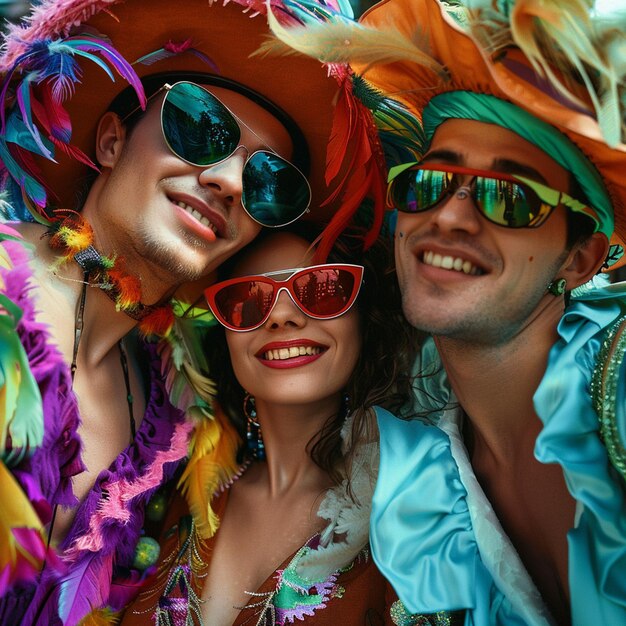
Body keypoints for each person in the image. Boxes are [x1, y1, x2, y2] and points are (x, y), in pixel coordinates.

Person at [0, 0, 386, 622]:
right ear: (111, 139)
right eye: (203, 129)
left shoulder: (174, 418)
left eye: (268, 183)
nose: (231, 181)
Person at [267, 0, 626, 624]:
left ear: (579, 260)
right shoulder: (420, 479)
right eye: (429, 184)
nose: (452, 216)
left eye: (509, 198)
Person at [119, 227, 417, 625]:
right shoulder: (168, 494)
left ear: (364, 318)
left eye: (321, 289)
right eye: (247, 300)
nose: (280, 316)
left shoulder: (418, 516)